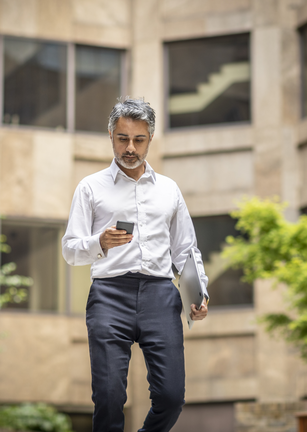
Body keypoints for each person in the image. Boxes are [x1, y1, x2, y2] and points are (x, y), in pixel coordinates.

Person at [62, 97, 208, 432]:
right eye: (122, 138)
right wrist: (99, 243)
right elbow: (70, 249)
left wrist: (199, 296)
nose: (130, 148)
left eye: (138, 140)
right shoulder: (90, 188)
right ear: (110, 135)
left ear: (150, 139)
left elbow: (186, 250)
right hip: (109, 295)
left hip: (160, 294)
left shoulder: (169, 190)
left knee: (172, 397)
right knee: (110, 397)